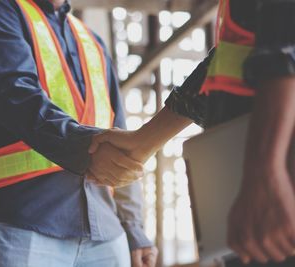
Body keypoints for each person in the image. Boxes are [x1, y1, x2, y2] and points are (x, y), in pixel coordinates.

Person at [89, 0, 295, 264]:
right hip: (251, 182)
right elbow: (223, 63)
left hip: (273, 189)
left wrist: (266, 174)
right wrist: (144, 142)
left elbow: (285, 54)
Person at [0, 0, 157, 266]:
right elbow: (13, 95)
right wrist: (84, 148)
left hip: (105, 234)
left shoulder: (93, 42)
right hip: (24, 223)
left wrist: (134, 227)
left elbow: (122, 141)